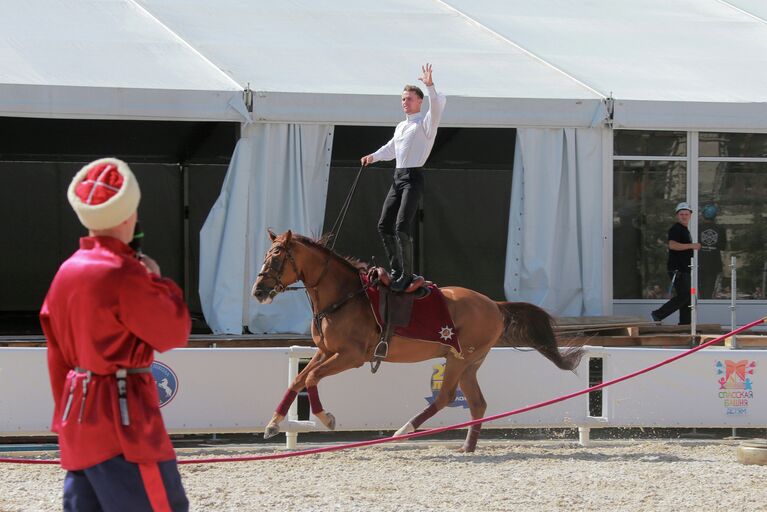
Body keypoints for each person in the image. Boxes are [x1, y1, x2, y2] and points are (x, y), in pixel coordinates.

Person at [39, 158, 191, 511]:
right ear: (127, 215)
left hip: (77, 421)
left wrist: (62, 416)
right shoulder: (124, 274)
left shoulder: (65, 272)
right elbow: (174, 331)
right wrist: (156, 279)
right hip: (125, 423)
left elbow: (56, 355)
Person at [361, 63, 446, 291]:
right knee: (383, 225)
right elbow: (391, 148)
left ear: (419, 102)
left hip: (413, 176)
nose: (405, 103)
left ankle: (407, 275)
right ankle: (397, 269)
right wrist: (373, 156)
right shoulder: (401, 126)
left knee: (401, 226)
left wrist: (430, 87)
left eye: (409, 99)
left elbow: (437, 106)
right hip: (398, 176)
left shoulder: (425, 124)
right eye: (403, 99)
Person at [651, 202, 701, 324]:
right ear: (677, 216)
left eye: (686, 214)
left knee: (688, 297)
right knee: (684, 295)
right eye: (681, 214)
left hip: (684, 269)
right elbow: (672, 245)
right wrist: (692, 246)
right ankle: (658, 313)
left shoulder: (684, 230)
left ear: (690, 215)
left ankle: (685, 324)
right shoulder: (676, 229)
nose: (684, 216)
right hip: (677, 269)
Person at [698, 203, 727, 299]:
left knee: (699, 286)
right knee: (709, 288)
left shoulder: (697, 228)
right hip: (714, 263)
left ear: (703, 215)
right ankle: (706, 304)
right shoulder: (721, 229)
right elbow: (723, 246)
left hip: (699, 262)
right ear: (715, 216)